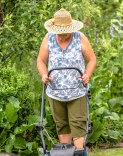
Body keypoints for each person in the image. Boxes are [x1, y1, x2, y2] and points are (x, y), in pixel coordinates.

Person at [37, 8, 96, 148]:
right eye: (59, 33)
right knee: (62, 124)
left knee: (78, 123)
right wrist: (44, 75)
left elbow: (92, 59)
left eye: (65, 33)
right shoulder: (48, 38)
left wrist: (87, 74)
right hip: (55, 91)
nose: (62, 36)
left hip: (77, 91)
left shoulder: (80, 38)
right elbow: (40, 60)